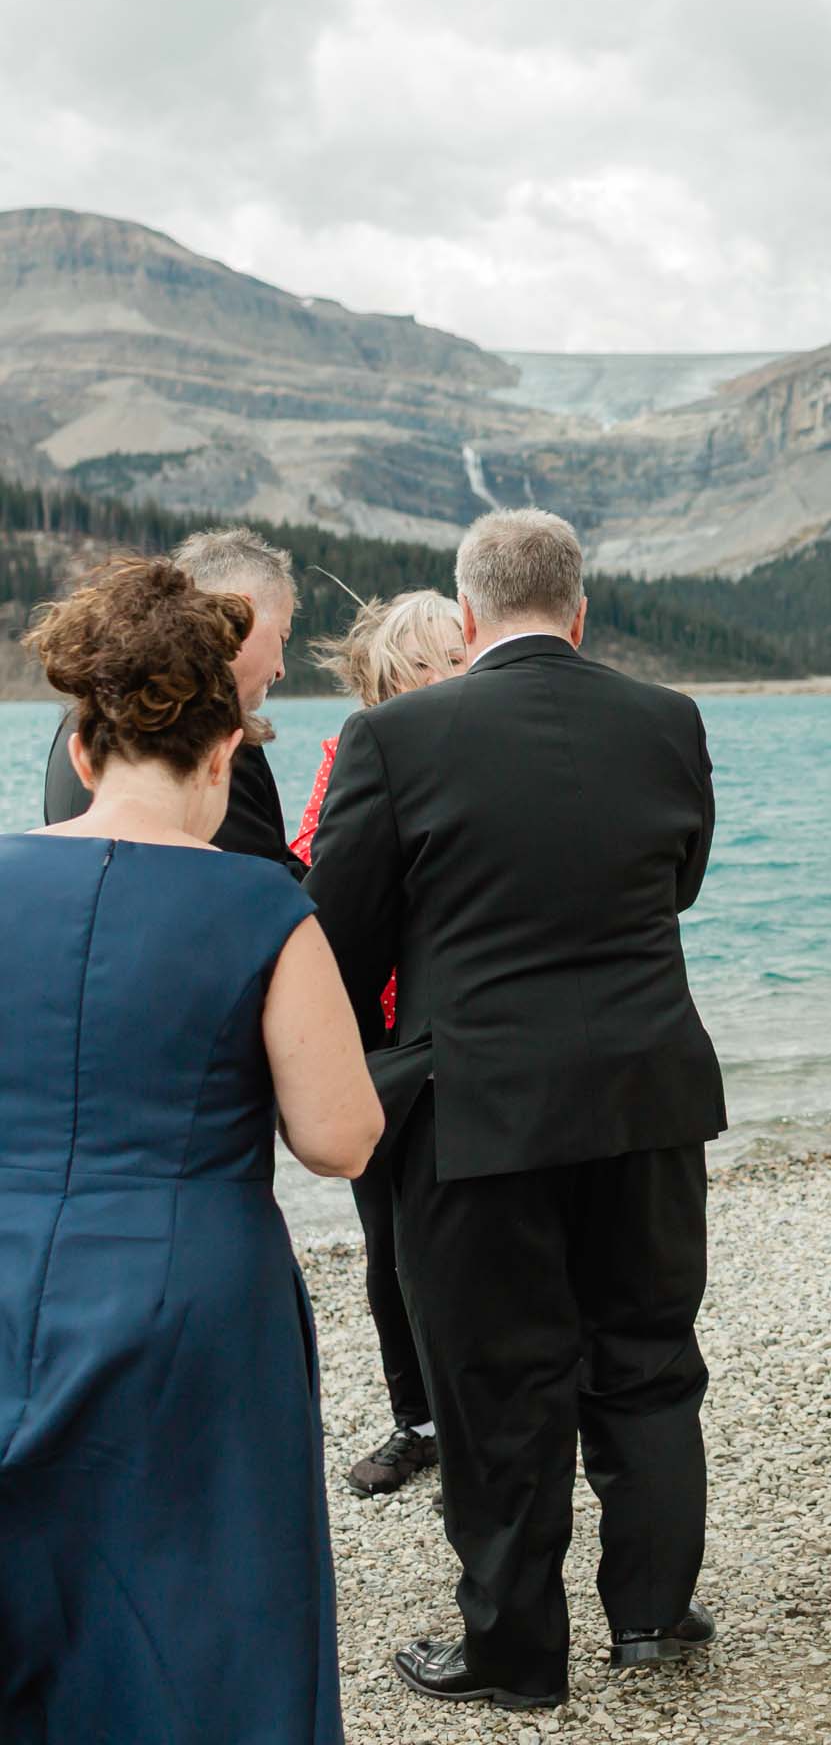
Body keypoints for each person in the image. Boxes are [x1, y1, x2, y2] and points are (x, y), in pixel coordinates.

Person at [307, 506, 723, 1712]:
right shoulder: (668, 719)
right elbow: (680, 877)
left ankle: (515, 1652)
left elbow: (342, 932)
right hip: (648, 1091)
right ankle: (651, 1615)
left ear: (469, 613)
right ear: (581, 609)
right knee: (648, 1357)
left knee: (500, 1379)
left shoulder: (394, 734)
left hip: (478, 1105)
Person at [0, 556, 383, 1745]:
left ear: (81, 743)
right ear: (224, 753)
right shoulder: (264, 909)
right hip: (193, 1295)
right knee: (204, 1608)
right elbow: (337, 1138)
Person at [292, 589, 467, 1497]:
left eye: (454, 660)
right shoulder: (351, 753)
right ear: (382, 678)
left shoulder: (490, 752)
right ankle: (419, 1417)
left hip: (455, 1022)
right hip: (374, 1030)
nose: (439, 680)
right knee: (384, 1237)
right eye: (419, 666)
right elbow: (323, 874)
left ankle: (495, 1404)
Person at [42, 525, 304, 874]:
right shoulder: (203, 728)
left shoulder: (80, 719)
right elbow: (260, 883)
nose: (281, 668)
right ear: (244, 613)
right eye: (283, 637)